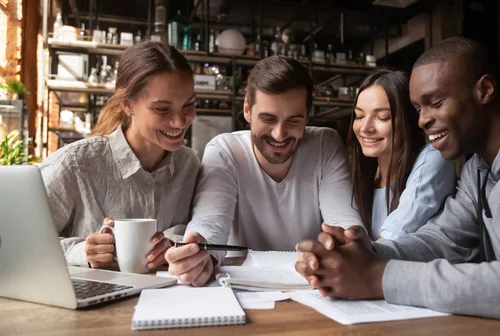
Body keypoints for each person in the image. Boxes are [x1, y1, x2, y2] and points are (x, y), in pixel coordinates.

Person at [295, 36, 500, 332]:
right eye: (418, 109)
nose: (422, 121)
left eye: (435, 103)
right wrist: (367, 253)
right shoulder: (477, 169)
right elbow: (443, 241)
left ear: (485, 89)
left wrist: (380, 277)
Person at [165, 56, 363, 287]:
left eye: (294, 120)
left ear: (307, 116)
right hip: (241, 289)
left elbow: (344, 224)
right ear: (247, 110)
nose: (279, 134)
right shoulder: (225, 150)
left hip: (312, 284)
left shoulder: (324, 144)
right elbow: (210, 222)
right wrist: (199, 254)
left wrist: (345, 246)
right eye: (268, 119)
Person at [40, 41, 200, 271]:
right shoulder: (75, 164)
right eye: (162, 109)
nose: (180, 121)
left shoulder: (190, 165)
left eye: (189, 105)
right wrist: (81, 251)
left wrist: (174, 246)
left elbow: (203, 232)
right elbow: (20, 241)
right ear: (128, 104)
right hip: (92, 303)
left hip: (166, 298)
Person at [348, 69, 455, 241]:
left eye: (382, 117)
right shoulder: (363, 177)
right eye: (359, 116)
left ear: (410, 120)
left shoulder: (434, 157)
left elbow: (395, 236)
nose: (365, 128)